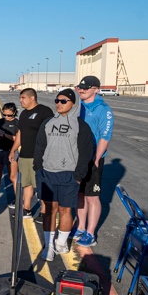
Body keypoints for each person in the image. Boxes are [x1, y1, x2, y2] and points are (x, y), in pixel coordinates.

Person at [34, 89, 95, 259]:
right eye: (57, 100)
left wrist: (78, 176)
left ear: (73, 104)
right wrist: (38, 168)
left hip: (69, 175)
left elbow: (85, 152)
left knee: (65, 210)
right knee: (49, 210)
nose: (59, 104)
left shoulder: (81, 126)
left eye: (63, 101)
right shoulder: (47, 122)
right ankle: (49, 247)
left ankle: (61, 243)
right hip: (47, 173)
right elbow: (39, 146)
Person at [74, 76, 114, 247]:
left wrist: (96, 158)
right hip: (77, 157)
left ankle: (91, 233)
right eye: (80, 87)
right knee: (79, 194)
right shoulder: (78, 106)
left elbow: (105, 136)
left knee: (92, 197)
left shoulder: (103, 109)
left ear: (96, 89)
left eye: (85, 88)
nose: (81, 90)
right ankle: (80, 227)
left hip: (92, 158)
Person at [9, 89, 54, 218]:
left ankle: (44, 210)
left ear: (32, 98)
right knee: (26, 183)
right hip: (24, 155)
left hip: (39, 155)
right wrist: (13, 150)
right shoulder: (23, 114)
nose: (20, 100)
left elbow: (50, 133)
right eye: (20, 98)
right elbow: (20, 134)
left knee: (40, 185)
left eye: (23, 98)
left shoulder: (44, 112)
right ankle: (26, 209)